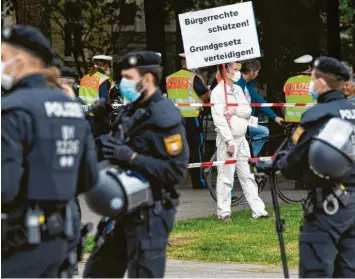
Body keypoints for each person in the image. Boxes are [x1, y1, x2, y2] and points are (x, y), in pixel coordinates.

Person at [1, 25, 98, 278]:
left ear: (19, 61)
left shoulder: (11, 110)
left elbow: (4, 187)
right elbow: (89, 177)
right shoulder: (71, 108)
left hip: (18, 242)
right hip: (62, 240)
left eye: (2, 58)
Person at [83, 50, 189, 278]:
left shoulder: (164, 116)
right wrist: (99, 123)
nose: (123, 83)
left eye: (129, 78)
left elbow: (174, 170)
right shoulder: (132, 110)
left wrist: (131, 157)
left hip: (150, 212)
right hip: (122, 205)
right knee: (98, 271)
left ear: (147, 79)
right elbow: (110, 149)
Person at [260, 57, 355, 277]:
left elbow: (293, 164)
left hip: (328, 207)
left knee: (316, 270)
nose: (311, 85)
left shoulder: (317, 115)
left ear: (322, 83)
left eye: (312, 79)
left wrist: (275, 164)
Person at [210, 61, 269, 222]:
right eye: (235, 69)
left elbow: (247, 110)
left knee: (248, 175)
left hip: (241, 138)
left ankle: (259, 211)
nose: (238, 72)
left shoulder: (237, 89)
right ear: (225, 71)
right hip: (227, 140)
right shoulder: (217, 93)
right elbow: (219, 120)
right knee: (225, 177)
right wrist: (229, 141)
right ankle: (224, 213)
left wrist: (234, 110)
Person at [166, 53, 210, 189]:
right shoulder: (193, 78)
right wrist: (207, 88)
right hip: (190, 118)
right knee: (195, 150)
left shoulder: (170, 78)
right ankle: (198, 182)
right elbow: (205, 96)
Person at [237, 59, 284, 157]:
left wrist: (275, 117)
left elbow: (259, 101)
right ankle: (248, 158)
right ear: (252, 72)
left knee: (259, 125)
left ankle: (246, 155)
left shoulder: (248, 84)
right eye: (257, 71)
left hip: (246, 119)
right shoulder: (238, 84)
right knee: (264, 131)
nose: (258, 74)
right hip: (238, 121)